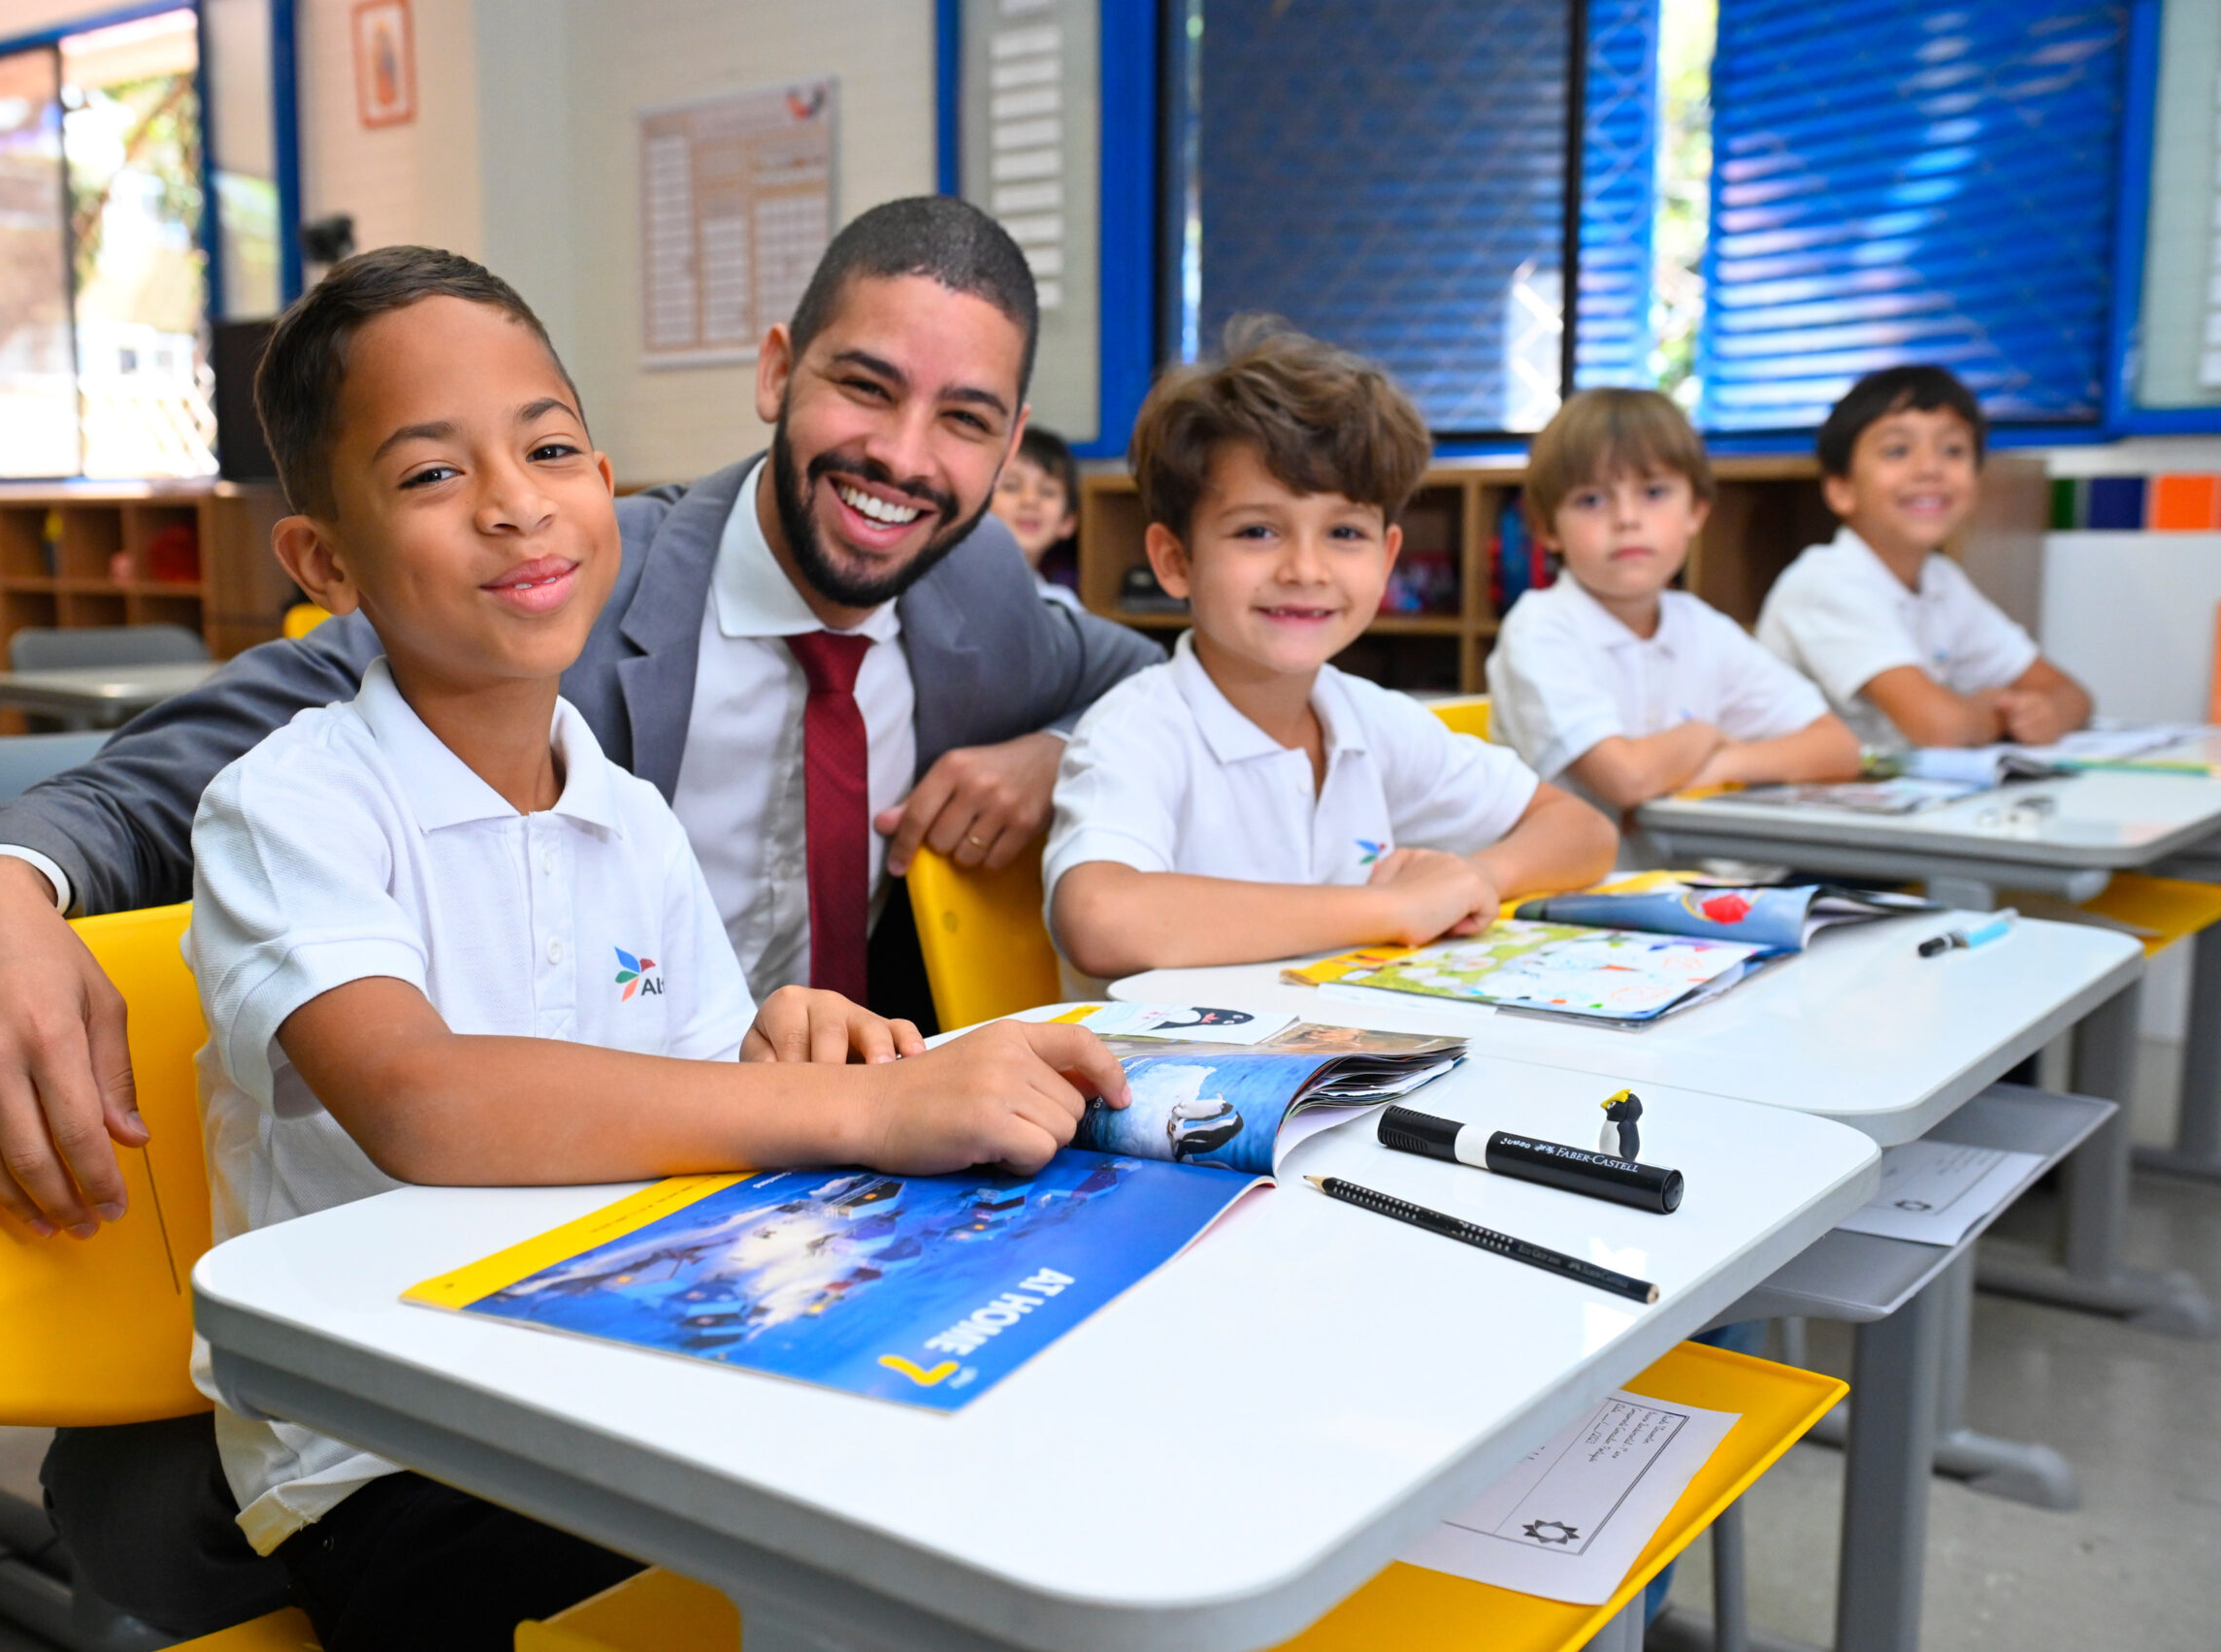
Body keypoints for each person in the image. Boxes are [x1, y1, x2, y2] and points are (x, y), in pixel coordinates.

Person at [0, 200, 1160, 1634]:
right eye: (865, 384)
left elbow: (1154, 687)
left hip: (640, 1315)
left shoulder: (940, 608)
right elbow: (177, 825)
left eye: (963, 416)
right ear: (778, 370)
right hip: (398, 1428)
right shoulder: (371, 733)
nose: (907, 456)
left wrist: (790, 1037)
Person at [189, 248, 1127, 1650]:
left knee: (985, 1499)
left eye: (551, 447)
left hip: (633, 1365)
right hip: (392, 1450)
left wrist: (781, 1041)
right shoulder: (295, 801)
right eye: (433, 475)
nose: (516, 503)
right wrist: (860, 1100)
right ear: (327, 562)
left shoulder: (628, 814)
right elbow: (421, 1099)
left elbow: (692, 1080)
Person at [1043, 319, 1617, 981]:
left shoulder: (1367, 718)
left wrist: (1475, 876)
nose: (1306, 568)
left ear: (1387, 557)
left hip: (1348, 1064)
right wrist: (1387, 907)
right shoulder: (1139, 729)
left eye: (1345, 531)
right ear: (1175, 561)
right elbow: (1101, 918)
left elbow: (1583, 831)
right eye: (1258, 530)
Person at [1486, 388, 1859, 821]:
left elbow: (1838, 748)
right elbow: (1627, 780)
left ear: (1696, 512)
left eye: (1654, 492)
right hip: (1582, 885)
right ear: (1547, 528)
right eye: (1591, 500)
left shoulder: (1700, 625)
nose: (1627, 519)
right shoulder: (1541, 627)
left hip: (1695, 879)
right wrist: (1704, 736)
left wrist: (1719, 765)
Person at [1754, 365, 2091, 751]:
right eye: (1897, 451)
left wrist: (2046, 714)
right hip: (1803, 801)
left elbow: (2070, 694)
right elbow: (1939, 728)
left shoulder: (1941, 579)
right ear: (1842, 490)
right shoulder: (1826, 583)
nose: (1930, 469)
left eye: (1953, 450)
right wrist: (1997, 715)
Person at [991, 424, 1084, 608]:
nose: (1030, 501)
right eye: (1011, 487)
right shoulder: (947, 594)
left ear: (1068, 522)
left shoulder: (1064, 607)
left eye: (1048, 492)